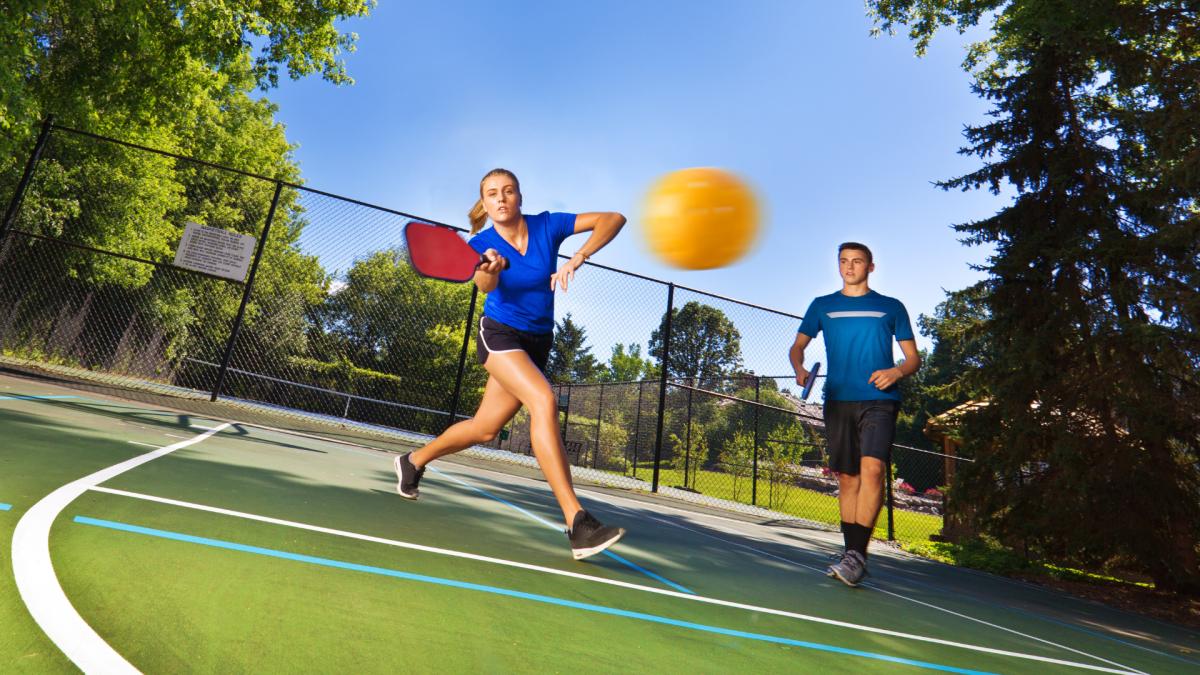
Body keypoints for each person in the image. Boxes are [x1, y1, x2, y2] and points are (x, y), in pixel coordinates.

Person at [394, 168, 627, 560]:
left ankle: (412, 461)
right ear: (484, 204)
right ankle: (577, 523)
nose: (500, 199)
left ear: (519, 197)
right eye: (491, 194)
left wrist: (578, 258)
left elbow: (613, 219)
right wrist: (490, 271)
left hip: (537, 341)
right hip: (499, 336)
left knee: (485, 429)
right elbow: (484, 287)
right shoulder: (482, 243)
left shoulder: (548, 226)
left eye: (508, 191)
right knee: (543, 401)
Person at [789, 242, 921, 586]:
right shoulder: (822, 306)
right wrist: (799, 366)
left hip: (880, 399)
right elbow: (798, 346)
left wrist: (896, 372)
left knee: (873, 470)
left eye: (857, 261)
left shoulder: (890, 307)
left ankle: (857, 555)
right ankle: (853, 554)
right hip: (838, 400)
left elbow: (912, 359)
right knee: (847, 478)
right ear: (838, 266)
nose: (850, 267)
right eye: (844, 261)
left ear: (870, 267)